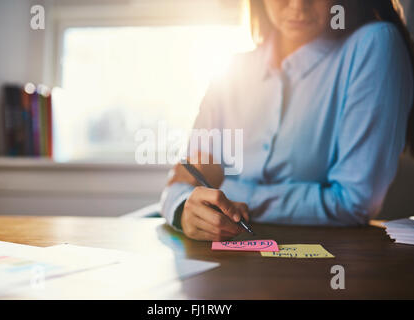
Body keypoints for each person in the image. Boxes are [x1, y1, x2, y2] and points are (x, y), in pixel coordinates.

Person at [160, 0, 414, 241]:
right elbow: (182, 182)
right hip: (224, 259)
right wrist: (185, 210)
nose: (297, 5)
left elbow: (354, 202)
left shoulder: (374, 44)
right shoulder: (231, 70)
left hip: (323, 266)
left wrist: (228, 190)